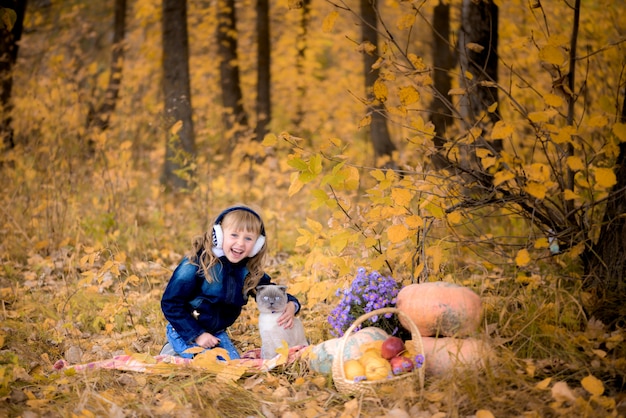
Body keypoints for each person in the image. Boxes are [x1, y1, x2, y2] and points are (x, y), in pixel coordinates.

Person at [160, 205, 302, 360]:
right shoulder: (195, 264)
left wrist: (291, 304)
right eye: (234, 235)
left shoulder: (247, 271)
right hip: (185, 330)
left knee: (233, 365)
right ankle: (173, 349)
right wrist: (197, 335)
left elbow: (269, 290)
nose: (240, 244)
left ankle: (187, 351)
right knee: (211, 366)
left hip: (216, 332)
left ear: (257, 245)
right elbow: (170, 303)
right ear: (219, 235)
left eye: (248, 238)